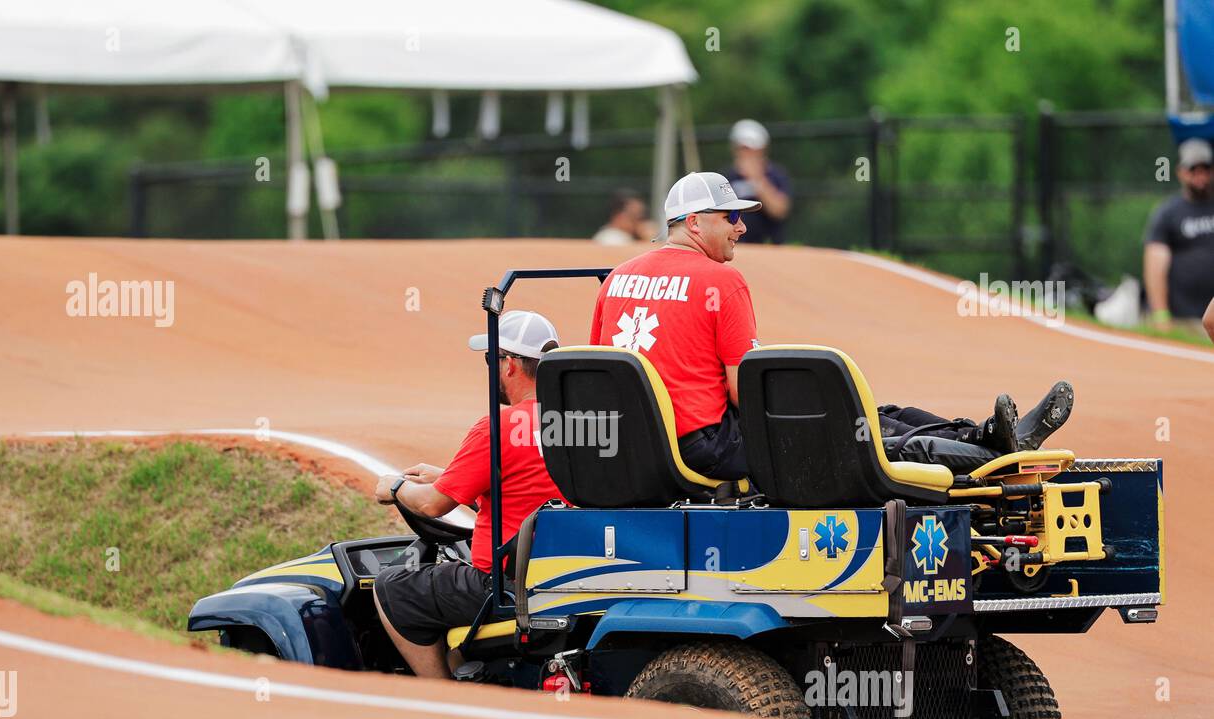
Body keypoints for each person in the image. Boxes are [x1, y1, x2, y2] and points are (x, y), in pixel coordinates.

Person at [589, 171, 1074, 479]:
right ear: (695, 223)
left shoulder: (616, 281)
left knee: (873, 411)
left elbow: (603, 375)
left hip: (653, 443)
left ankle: (984, 434)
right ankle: (995, 455)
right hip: (709, 444)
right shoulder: (721, 280)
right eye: (731, 216)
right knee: (851, 428)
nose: (741, 227)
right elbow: (743, 393)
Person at [371, 311, 563, 680]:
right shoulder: (578, 421)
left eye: (491, 360)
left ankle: (441, 696)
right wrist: (450, 478)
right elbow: (528, 483)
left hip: (503, 584)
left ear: (509, 365)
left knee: (393, 589)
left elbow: (431, 504)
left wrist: (395, 486)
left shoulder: (497, 427)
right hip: (562, 572)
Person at [1143, 138, 1214, 325]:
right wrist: (1160, 313)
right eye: (1193, 170)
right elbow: (1155, 265)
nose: (1201, 177)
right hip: (1183, 318)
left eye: (1205, 169)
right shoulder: (1169, 212)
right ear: (1181, 172)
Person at [721, 119, 792, 245]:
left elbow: (779, 210)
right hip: (736, 246)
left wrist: (757, 178)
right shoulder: (727, 177)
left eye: (750, 149)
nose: (746, 154)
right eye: (742, 149)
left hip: (769, 246)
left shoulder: (775, 175)